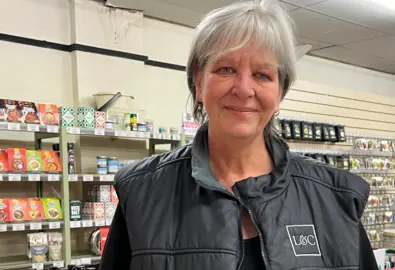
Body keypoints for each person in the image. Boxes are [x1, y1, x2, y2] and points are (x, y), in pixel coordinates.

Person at [100, 0, 377, 269]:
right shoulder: (141, 190)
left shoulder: (337, 197)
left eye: (262, 75)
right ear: (199, 82)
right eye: (226, 69)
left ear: (279, 91)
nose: (244, 89)